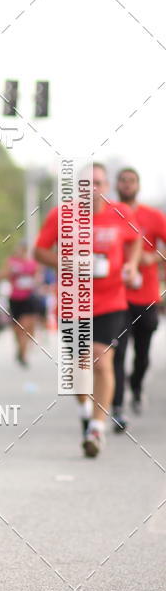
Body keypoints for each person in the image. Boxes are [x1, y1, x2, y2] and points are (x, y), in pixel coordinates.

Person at [35, 163, 141, 457]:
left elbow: (134, 242)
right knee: (80, 369)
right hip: (73, 301)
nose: (92, 189)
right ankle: (86, 408)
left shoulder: (122, 213)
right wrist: (68, 265)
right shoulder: (61, 215)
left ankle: (96, 427)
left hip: (111, 301)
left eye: (98, 183)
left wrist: (131, 265)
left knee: (102, 361)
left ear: (106, 187)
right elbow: (39, 251)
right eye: (86, 183)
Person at [112, 167, 166, 428]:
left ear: (138, 185)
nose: (127, 185)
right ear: (116, 185)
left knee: (142, 353)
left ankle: (136, 384)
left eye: (131, 181)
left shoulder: (153, 217)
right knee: (116, 352)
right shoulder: (108, 215)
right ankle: (118, 407)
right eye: (123, 181)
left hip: (146, 296)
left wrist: (153, 257)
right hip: (116, 296)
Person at [1, 242, 40, 367]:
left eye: (24, 250)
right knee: (17, 329)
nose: (21, 252)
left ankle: (23, 355)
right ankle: (20, 348)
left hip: (29, 298)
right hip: (15, 298)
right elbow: (3, 275)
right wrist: (12, 272)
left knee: (26, 326)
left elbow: (38, 278)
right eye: (20, 249)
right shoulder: (11, 262)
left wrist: (33, 281)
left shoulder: (32, 263)